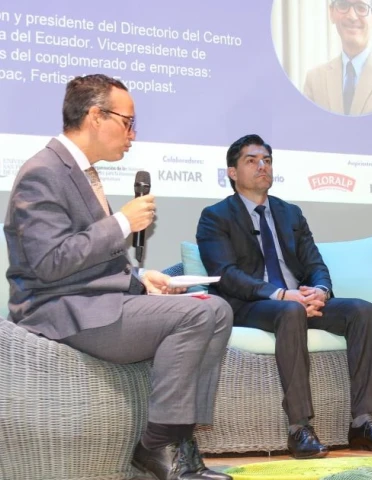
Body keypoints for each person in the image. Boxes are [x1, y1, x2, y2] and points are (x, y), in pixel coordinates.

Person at [3, 74, 233, 480]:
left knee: (215, 309)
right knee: (198, 314)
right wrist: (121, 223)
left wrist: (141, 278)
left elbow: (88, 260)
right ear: (95, 116)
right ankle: (158, 445)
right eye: (128, 122)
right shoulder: (44, 171)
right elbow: (48, 263)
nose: (132, 135)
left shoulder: (80, 171)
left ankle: (177, 439)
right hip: (58, 311)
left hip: (92, 301)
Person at [196, 134, 372, 459]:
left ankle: (363, 421)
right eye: (251, 160)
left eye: (266, 160)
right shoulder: (216, 216)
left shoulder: (289, 213)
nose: (262, 166)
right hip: (249, 305)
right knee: (290, 312)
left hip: (297, 299)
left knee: (361, 310)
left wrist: (319, 290)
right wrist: (280, 293)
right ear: (232, 173)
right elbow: (226, 275)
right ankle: (299, 427)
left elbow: (315, 263)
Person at [303, 0, 372, 116]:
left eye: (361, 7)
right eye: (343, 5)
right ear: (331, 13)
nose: (352, 16)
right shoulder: (314, 80)